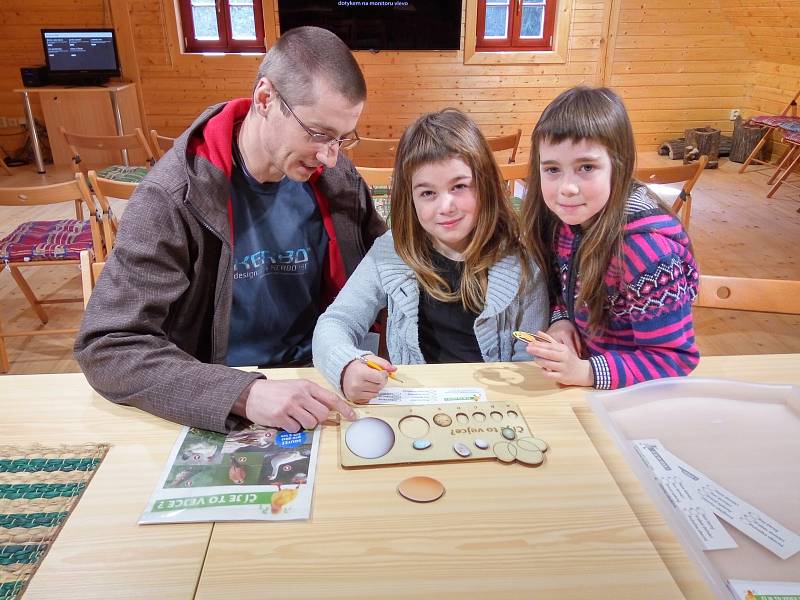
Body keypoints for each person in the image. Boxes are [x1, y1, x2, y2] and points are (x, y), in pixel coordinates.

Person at [74, 27, 387, 433]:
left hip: (327, 379)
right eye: (318, 134)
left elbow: (383, 274)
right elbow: (107, 345)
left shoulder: (336, 177)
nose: (330, 157)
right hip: (222, 395)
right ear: (264, 99)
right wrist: (244, 393)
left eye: (343, 139)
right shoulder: (173, 196)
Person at [312, 108, 548, 402]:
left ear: (484, 185)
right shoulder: (391, 251)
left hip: (496, 408)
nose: (445, 206)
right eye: (427, 193)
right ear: (409, 197)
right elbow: (335, 322)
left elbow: (530, 364)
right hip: (417, 406)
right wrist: (346, 366)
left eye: (459, 186)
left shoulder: (523, 263)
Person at [520, 86, 700, 389]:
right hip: (584, 384)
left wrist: (587, 372)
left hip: (632, 396)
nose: (567, 187)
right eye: (552, 169)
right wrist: (561, 319)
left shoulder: (650, 254)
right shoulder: (563, 222)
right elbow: (559, 287)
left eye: (586, 167)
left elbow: (673, 358)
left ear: (619, 165)